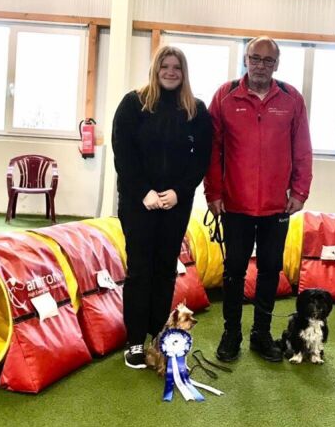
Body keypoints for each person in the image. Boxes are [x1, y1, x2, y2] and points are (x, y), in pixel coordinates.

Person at [205, 36, 313, 363]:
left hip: (276, 206)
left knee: (269, 270)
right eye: (255, 58)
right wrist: (213, 193)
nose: (261, 66)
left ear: (276, 64)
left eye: (268, 60)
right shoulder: (224, 96)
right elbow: (212, 150)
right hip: (234, 205)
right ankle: (231, 334)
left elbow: (302, 149)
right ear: (246, 59)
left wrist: (300, 192)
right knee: (234, 271)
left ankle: (261, 334)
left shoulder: (291, 99)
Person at [112, 45, 212, 369]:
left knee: (166, 269)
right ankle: (135, 341)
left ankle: (158, 335)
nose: (170, 72)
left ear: (184, 73)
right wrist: (144, 192)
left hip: (175, 204)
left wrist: (179, 192)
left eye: (176, 68)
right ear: (155, 70)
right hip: (138, 202)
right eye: (164, 66)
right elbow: (123, 153)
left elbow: (201, 158)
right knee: (140, 270)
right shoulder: (133, 104)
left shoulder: (196, 110)